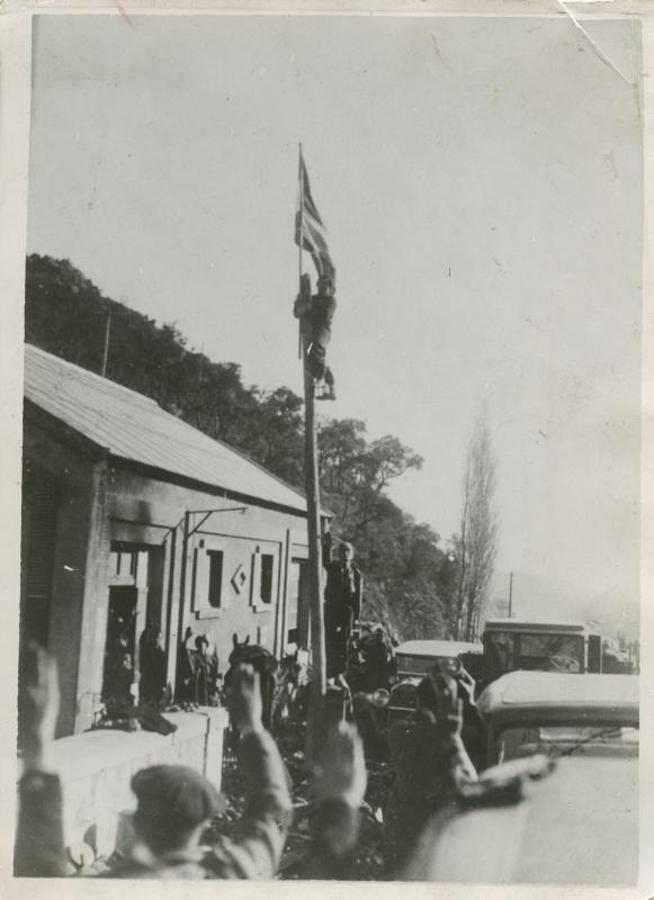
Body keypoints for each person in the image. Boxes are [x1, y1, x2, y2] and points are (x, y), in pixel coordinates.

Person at [15, 644, 293, 879]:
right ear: (205, 824)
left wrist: (37, 740)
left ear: (138, 821)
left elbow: (39, 866)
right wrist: (252, 726)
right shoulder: (234, 874)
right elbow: (270, 812)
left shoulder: (105, 888)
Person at [383, 669, 478, 874]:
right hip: (443, 839)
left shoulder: (399, 733)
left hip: (402, 832)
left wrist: (423, 709)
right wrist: (470, 704)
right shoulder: (464, 739)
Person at [322, 526, 363, 685]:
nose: (345, 554)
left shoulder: (356, 574)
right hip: (332, 609)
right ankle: (330, 673)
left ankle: (339, 673)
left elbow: (358, 596)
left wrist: (357, 618)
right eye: (342, 551)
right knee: (330, 641)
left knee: (343, 644)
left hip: (347, 612)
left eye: (348, 551)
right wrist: (327, 545)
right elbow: (325, 561)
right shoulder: (333, 568)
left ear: (352, 555)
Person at [294, 271, 337, 400]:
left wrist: (308, 309)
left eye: (324, 287)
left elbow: (324, 314)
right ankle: (329, 386)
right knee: (312, 357)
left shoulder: (330, 301)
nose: (321, 289)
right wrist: (300, 302)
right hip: (312, 331)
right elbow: (297, 313)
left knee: (316, 349)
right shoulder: (313, 299)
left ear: (329, 288)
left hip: (323, 330)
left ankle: (322, 382)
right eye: (319, 286)